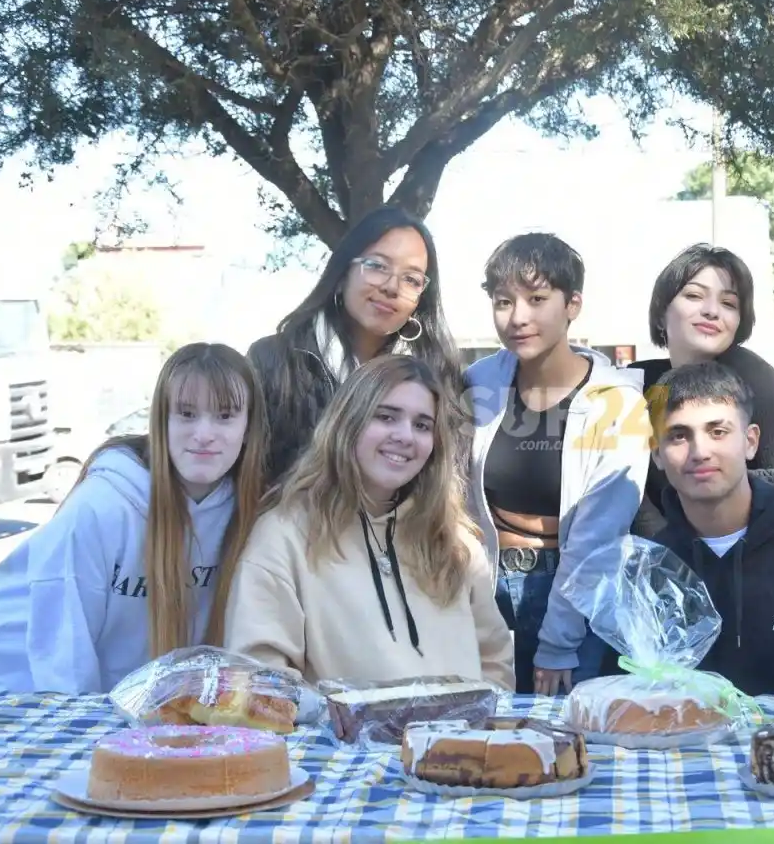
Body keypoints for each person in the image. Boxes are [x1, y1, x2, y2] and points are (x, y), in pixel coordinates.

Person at [0, 343, 267, 694]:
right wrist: (84, 728)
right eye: (187, 414)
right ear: (161, 421)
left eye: (225, 416)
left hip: (119, 701)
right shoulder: (100, 506)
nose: (204, 433)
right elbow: (62, 647)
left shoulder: (249, 512)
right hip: (13, 684)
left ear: (248, 426)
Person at [224, 354, 514, 690]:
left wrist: (475, 734)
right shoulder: (285, 533)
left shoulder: (453, 538)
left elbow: (495, 662)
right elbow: (260, 676)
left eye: (422, 425)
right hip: (339, 741)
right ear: (349, 423)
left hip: (456, 741)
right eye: (387, 417)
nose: (405, 436)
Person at [465, 233, 649, 696]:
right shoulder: (478, 383)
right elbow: (454, 496)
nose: (518, 317)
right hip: (486, 586)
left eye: (538, 298)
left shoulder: (617, 402)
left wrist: (558, 644)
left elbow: (597, 535)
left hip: (573, 596)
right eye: (503, 301)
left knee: (567, 739)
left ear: (573, 304)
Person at [650, 361, 774, 696]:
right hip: (689, 747)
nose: (700, 452)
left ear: (750, 441)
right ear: (657, 453)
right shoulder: (654, 565)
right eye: (678, 435)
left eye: (718, 432)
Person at [247, 206, 464, 489]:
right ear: (342, 274)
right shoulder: (275, 361)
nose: (392, 287)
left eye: (411, 279)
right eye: (377, 266)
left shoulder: (438, 373)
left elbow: (445, 485)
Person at [628, 243, 774, 539]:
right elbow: (628, 492)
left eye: (729, 303)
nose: (711, 311)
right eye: (694, 296)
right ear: (661, 314)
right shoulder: (635, 385)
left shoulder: (757, 381)